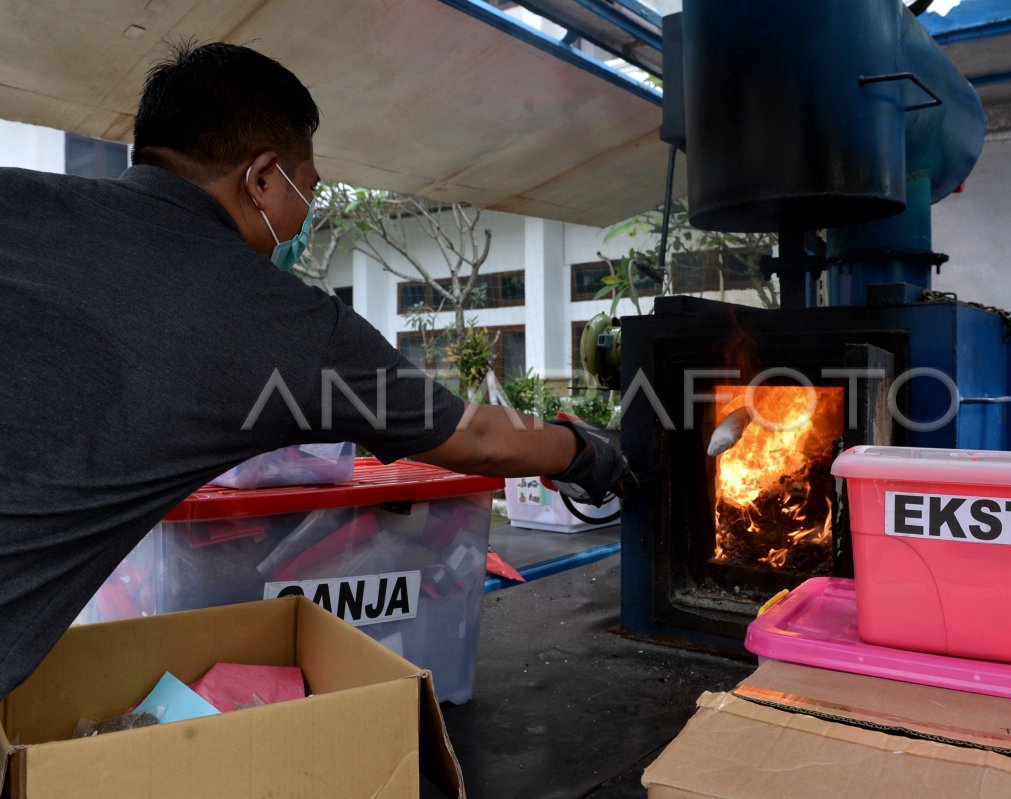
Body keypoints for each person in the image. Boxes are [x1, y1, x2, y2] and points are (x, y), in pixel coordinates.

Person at [0, 42, 633, 700]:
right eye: (312, 186)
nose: (307, 211)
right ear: (264, 178)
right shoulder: (280, 323)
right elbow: (473, 437)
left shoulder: (14, 198)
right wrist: (587, 452)